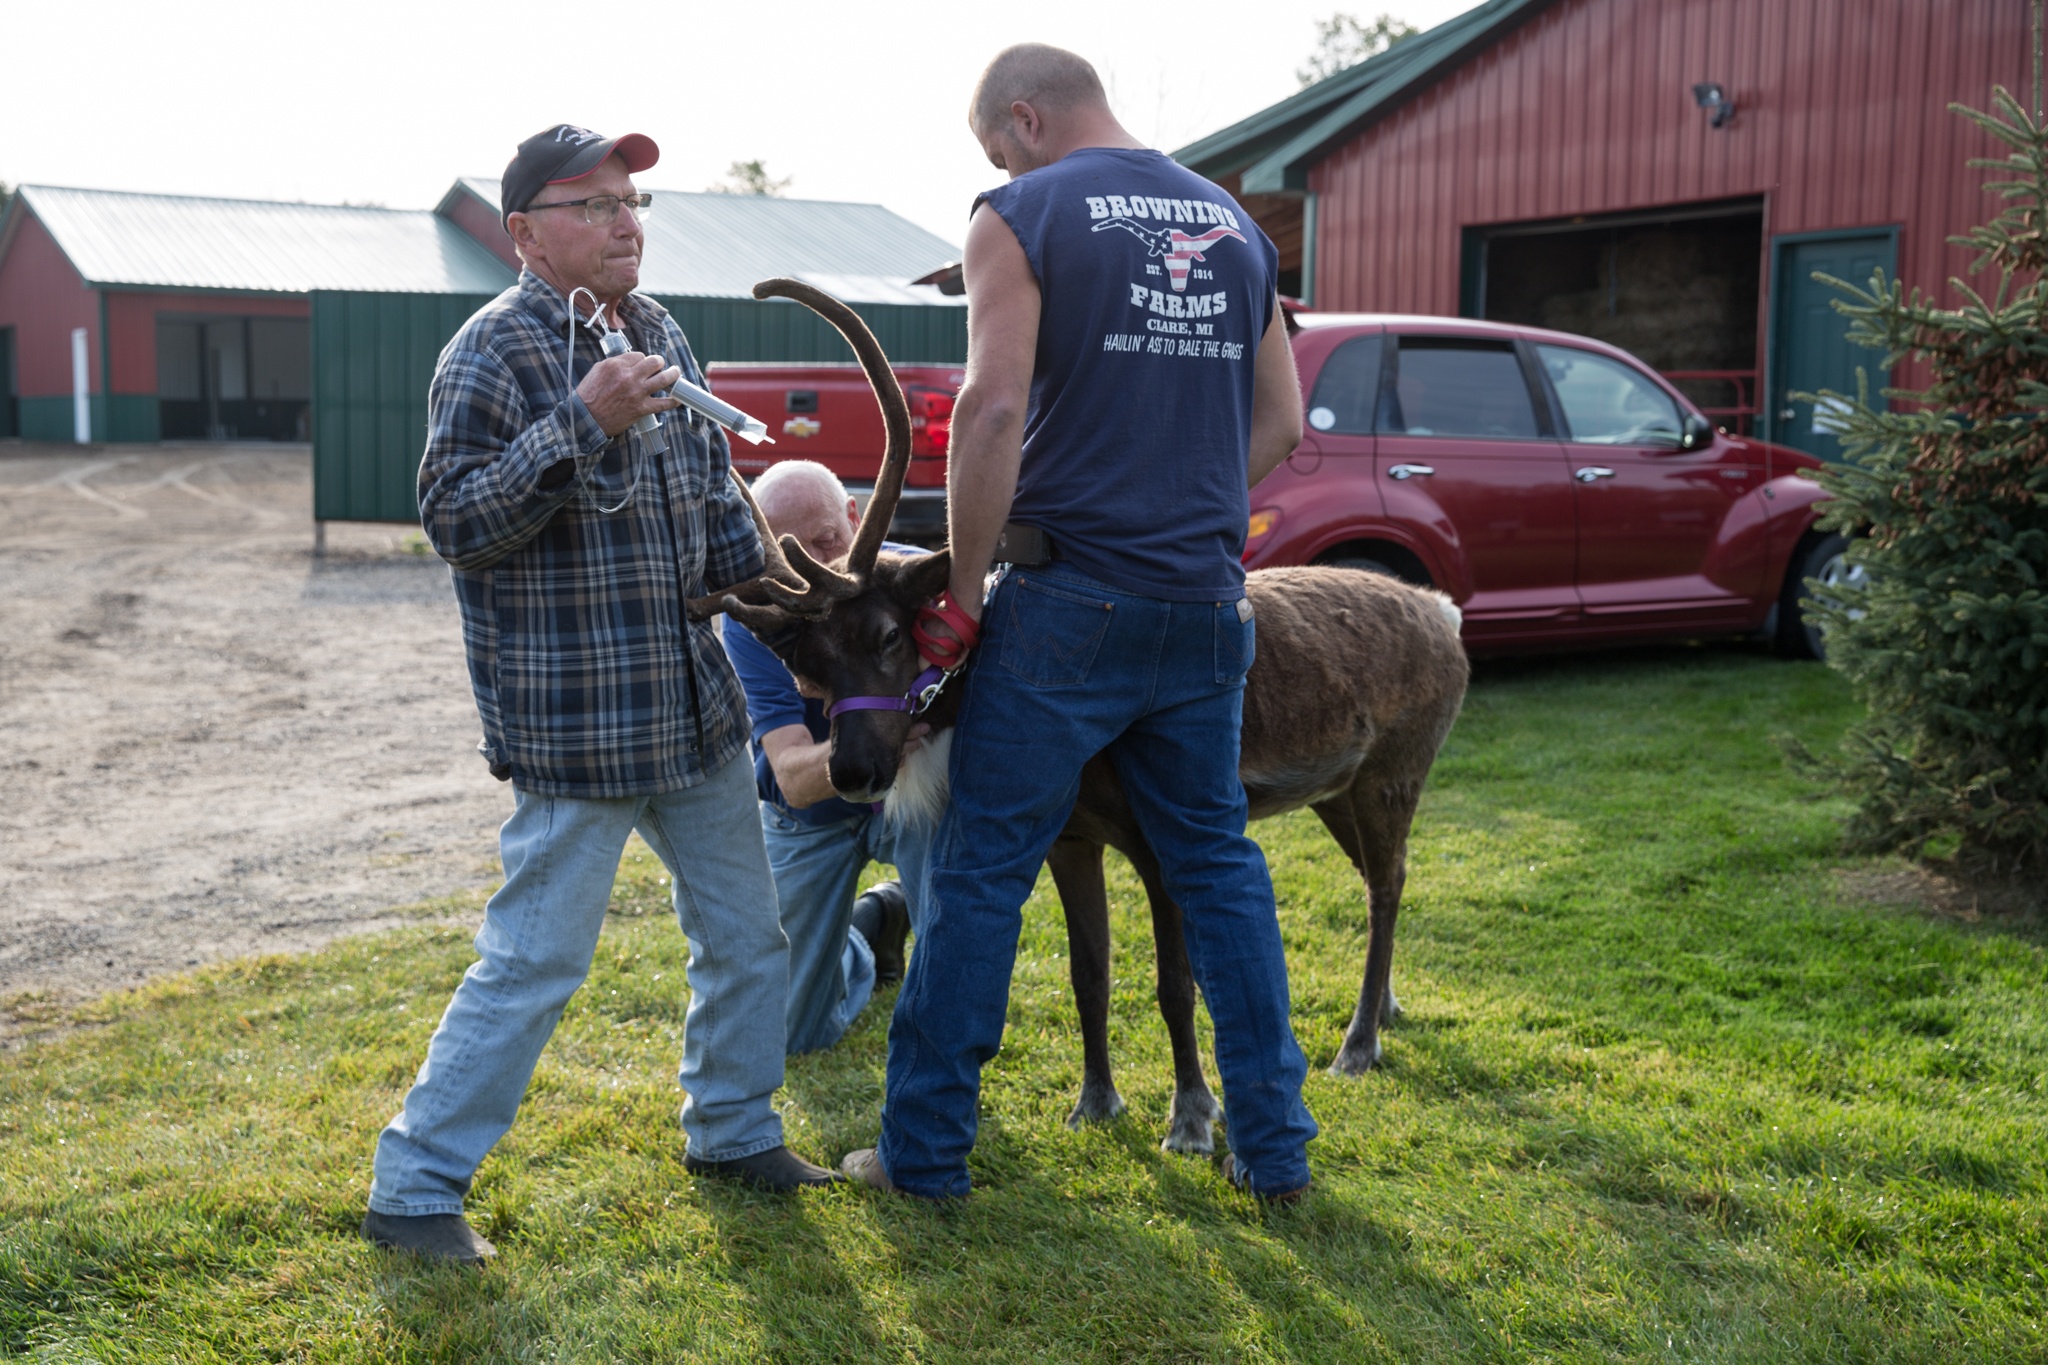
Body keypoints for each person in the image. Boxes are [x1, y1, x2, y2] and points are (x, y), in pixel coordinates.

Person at [838, 45, 1319, 1203]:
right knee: (1216, 867)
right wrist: (1180, 506)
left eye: (994, 146)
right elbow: (1284, 424)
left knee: (985, 864)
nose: (995, 165)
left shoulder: (1019, 212)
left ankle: (922, 1155)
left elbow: (993, 404)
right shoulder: (1233, 224)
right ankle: (1275, 1152)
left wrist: (960, 592)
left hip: (1064, 603)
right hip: (1205, 604)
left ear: (1022, 117)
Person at [363, 124, 837, 1267]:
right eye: (593, 204)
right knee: (533, 964)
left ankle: (731, 1131)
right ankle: (414, 1190)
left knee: (745, 936)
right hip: (579, 732)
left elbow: (715, 504)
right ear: (523, 232)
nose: (625, 221)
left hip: (695, 713)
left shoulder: (662, 331)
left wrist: (800, 615)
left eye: (633, 201)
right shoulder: (490, 352)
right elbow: (455, 526)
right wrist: (583, 421)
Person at [720, 460, 928, 1054]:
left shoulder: (911, 579)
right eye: (792, 552)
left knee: (956, 913)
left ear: (856, 518)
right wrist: (880, 733)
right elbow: (793, 779)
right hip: (811, 816)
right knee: (791, 1033)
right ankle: (870, 929)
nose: (817, 561)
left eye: (827, 538)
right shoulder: (760, 621)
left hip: (915, 799)